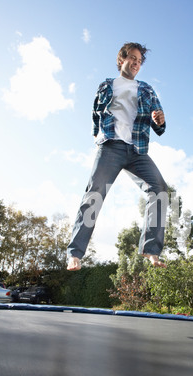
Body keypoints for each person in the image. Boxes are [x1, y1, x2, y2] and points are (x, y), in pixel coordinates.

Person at [67, 42, 168, 271]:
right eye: (132, 58)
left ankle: (152, 250)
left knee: (159, 188)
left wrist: (159, 120)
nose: (136, 63)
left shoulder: (147, 89)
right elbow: (95, 113)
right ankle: (75, 253)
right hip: (111, 146)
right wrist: (97, 136)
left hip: (136, 150)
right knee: (95, 194)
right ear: (121, 59)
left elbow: (159, 124)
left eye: (140, 61)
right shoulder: (107, 84)